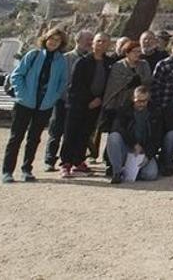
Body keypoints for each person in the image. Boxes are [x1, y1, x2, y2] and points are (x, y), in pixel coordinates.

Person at [2, 28, 71, 183]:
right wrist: (22, 94)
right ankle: (7, 171)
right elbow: (17, 75)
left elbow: (63, 82)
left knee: (34, 138)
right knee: (16, 137)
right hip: (24, 102)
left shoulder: (61, 60)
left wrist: (53, 97)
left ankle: (26, 169)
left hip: (44, 105)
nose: (53, 42)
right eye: (51, 38)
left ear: (61, 43)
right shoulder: (33, 55)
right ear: (45, 39)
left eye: (57, 40)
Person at [60, 32, 112, 177]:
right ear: (93, 44)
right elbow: (76, 84)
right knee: (71, 133)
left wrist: (99, 99)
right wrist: (89, 100)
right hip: (78, 104)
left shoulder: (108, 63)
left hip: (96, 105)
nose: (101, 44)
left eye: (105, 42)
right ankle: (66, 163)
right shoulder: (82, 62)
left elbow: (109, 84)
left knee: (85, 134)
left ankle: (78, 161)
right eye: (99, 41)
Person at [101, 39, 154, 172]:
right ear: (127, 53)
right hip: (119, 104)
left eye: (139, 51)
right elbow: (114, 86)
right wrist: (130, 81)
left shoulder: (144, 64)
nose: (138, 54)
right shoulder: (118, 66)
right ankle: (112, 163)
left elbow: (147, 81)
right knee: (116, 132)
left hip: (139, 103)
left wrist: (139, 80)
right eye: (134, 52)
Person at [43, 29, 91, 172]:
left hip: (79, 103)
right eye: (87, 39)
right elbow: (60, 81)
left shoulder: (90, 60)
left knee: (75, 133)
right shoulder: (65, 58)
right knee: (56, 131)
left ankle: (74, 159)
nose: (89, 42)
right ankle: (50, 160)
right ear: (78, 41)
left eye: (91, 40)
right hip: (63, 100)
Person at [106, 85, 161, 184]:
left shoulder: (155, 112)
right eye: (139, 101)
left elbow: (156, 138)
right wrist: (134, 144)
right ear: (133, 99)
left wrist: (148, 155)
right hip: (127, 146)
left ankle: (131, 172)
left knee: (151, 175)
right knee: (113, 137)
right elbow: (118, 128)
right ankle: (117, 172)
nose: (142, 104)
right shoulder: (124, 110)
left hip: (144, 150)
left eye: (145, 101)